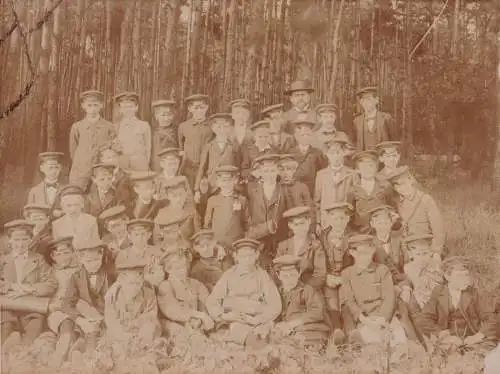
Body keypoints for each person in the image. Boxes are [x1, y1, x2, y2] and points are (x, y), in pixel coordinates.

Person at [206, 238, 282, 347]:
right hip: (235, 321)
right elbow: (212, 301)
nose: (246, 260)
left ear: (256, 255)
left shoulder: (263, 276)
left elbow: (275, 305)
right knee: (250, 341)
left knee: (269, 339)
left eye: (250, 256)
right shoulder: (229, 275)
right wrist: (224, 316)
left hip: (257, 321)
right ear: (235, 256)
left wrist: (258, 319)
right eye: (242, 256)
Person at [418, 256, 497, 352]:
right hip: (448, 341)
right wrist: (441, 334)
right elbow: (424, 319)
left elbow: (492, 318)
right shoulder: (438, 293)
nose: (466, 280)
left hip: (472, 339)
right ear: (448, 277)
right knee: (444, 353)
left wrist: (478, 336)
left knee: (487, 351)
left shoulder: (473, 293)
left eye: (466, 275)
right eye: (460, 276)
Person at [340, 234, 407, 346]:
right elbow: (350, 302)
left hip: (385, 317)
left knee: (399, 343)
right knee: (371, 346)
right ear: (352, 253)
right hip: (364, 319)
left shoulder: (382, 270)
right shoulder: (347, 274)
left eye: (369, 252)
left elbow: (389, 298)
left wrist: (383, 319)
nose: (366, 257)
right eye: (362, 253)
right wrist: (365, 321)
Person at [0, 220, 57, 348]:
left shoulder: (38, 259)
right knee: (5, 327)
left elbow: (51, 284)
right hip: (7, 305)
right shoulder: (3, 260)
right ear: (9, 241)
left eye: (24, 239)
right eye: (16, 240)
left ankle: (23, 353)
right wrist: (11, 286)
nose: (20, 244)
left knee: (34, 328)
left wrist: (28, 289)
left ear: (30, 240)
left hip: (32, 306)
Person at [45, 236, 101, 366]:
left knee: (85, 328)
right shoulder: (50, 271)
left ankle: (78, 355)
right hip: (58, 309)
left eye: (66, 253)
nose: (63, 257)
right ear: (53, 256)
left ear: (73, 253)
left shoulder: (80, 270)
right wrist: (50, 305)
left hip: (78, 308)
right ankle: (60, 354)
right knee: (66, 324)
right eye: (59, 254)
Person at [271, 255, 330, 349]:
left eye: (293, 275)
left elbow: (317, 312)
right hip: (286, 330)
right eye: (285, 276)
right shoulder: (276, 293)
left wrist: (293, 324)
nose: (289, 279)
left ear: (299, 274)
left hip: (308, 328)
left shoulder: (307, 290)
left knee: (301, 340)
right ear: (278, 276)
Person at [104, 253, 161, 350]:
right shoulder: (112, 295)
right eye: (130, 283)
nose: (135, 287)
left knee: (150, 329)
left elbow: (151, 315)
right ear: (120, 280)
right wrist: (124, 335)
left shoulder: (148, 293)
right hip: (121, 330)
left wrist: (138, 326)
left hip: (141, 328)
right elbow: (111, 321)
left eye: (138, 283)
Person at [388, 166, 445, 259]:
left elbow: (438, 229)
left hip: (423, 247)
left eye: (403, 183)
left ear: (411, 180)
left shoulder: (425, 200)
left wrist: (436, 253)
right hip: (405, 248)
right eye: (397, 186)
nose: (401, 188)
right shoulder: (397, 202)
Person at [318, 201, 355, 344]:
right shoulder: (321, 238)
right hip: (329, 278)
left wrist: (344, 278)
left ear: (347, 219)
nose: (338, 222)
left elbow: (357, 262)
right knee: (331, 299)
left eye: (342, 218)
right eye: (335, 218)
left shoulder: (353, 237)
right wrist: (327, 276)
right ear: (328, 219)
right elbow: (318, 261)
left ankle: (351, 332)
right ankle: (337, 330)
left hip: (348, 277)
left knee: (346, 299)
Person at [157, 248, 214, 337]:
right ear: (168, 269)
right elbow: (172, 311)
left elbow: (205, 303)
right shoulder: (166, 286)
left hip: (196, 324)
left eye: (184, 266)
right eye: (178, 268)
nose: (183, 271)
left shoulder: (196, 284)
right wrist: (198, 315)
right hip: (173, 326)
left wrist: (201, 318)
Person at [246, 154, 287, 269]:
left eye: (272, 170)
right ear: (260, 173)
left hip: (279, 241)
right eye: (266, 171)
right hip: (259, 241)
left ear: (278, 171)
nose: (269, 174)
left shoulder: (284, 190)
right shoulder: (251, 189)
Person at [69, 90, 116, 191]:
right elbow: (73, 151)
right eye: (89, 105)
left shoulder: (109, 126)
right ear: (83, 106)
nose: (93, 109)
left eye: (95, 105)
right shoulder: (77, 127)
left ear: (101, 105)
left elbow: (113, 150)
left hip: (102, 172)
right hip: (81, 170)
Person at [195, 113, 241, 204]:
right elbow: (202, 168)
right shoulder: (209, 146)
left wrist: (236, 182)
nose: (222, 130)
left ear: (229, 128)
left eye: (225, 126)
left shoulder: (234, 146)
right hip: (212, 185)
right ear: (213, 128)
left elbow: (238, 166)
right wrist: (197, 189)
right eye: (218, 127)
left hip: (229, 184)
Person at [275, 206, 326, 288]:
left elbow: (320, 276)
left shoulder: (315, 245)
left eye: (302, 223)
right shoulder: (283, 246)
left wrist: (303, 288)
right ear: (290, 225)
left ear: (309, 221)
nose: (299, 228)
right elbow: (276, 270)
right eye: (296, 224)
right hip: (287, 288)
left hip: (308, 289)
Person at [314, 133, 355, 231]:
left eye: (338, 153)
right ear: (327, 154)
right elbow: (316, 202)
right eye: (332, 153)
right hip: (326, 222)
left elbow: (355, 200)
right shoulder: (321, 175)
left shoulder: (352, 174)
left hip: (344, 222)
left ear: (344, 153)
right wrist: (318, 222)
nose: (335, 157)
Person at [348, 150, 395, 234]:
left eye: (371, 166)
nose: (368, 170)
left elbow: (392, 208)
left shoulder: (385, 186)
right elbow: (349, 215)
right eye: (364, 167)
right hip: (360, 233)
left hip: (381, 232)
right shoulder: (352, 190)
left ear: (376, 168)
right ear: (358, 170)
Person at [402, 234, 444, 326]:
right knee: (411, 305)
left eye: (425, 254)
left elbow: (442, 282)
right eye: (418, 254)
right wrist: (406, 288)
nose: (422, 258)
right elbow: (408, 279)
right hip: (418, 298)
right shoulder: (409, 267)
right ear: (411, 255)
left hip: (434, 297)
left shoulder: (436, 265)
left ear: (430, 253)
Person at [204, 165, 249, 248]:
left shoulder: (242, 200)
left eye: (229, 180)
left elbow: (246, 224)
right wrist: (213, 244)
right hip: (217, 244)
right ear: (218, 182)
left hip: (236, 243)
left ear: (235, 181)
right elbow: (207, 225)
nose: (226, 184)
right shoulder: (212, 200)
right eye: (224, 180)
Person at [178, 94, 214, 190]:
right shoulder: (183, 126)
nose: (199, 111)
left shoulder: (212, 126)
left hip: (205, 169)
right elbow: (180, 147)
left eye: (202, 107)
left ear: (207, 107)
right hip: (188, 169)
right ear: (190, 109)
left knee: (203, 198)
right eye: (196, 108)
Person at [155, 176, 201, 241]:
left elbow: (198, 238)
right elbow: (157, 240)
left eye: (181, 194)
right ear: (168, 196)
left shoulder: (192, 213)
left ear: (186, 194)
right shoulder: (161, 214)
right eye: (174, 196)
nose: (179, 199)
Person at [114, 92, 152, 171]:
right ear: (120, 109)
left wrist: (145, 163)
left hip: (140, 164)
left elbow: (148, 148)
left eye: (131, 106)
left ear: (136, 107)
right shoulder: (116, 127)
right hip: (123, 164)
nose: (128, 110)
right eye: (124, 107)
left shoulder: (144, 125)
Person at [288, 120, 328, 195]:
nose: (305, 137)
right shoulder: (290, 152)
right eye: (302, 135)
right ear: (297, 137)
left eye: (308, 135)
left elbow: (322, 171)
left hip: (312, 188)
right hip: (294, 187)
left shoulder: (317, 152)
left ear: (311, 137)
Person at [353, 86, 396, 151]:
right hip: (365, 159)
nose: (365, 103)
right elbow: (354, 143)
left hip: (382, 159)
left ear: (376, 100)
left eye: (368, 99)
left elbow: (394, 142)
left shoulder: (386, 118)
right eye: (363, 100)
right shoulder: (356, 121)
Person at [151, 99, 178, 171]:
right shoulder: (152, 132)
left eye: (169, 115)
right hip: (156, 166)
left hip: (172, 167)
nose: (166, 118)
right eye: (163, 115)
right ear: (156, 116)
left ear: (173, 116)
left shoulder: (178, 131)